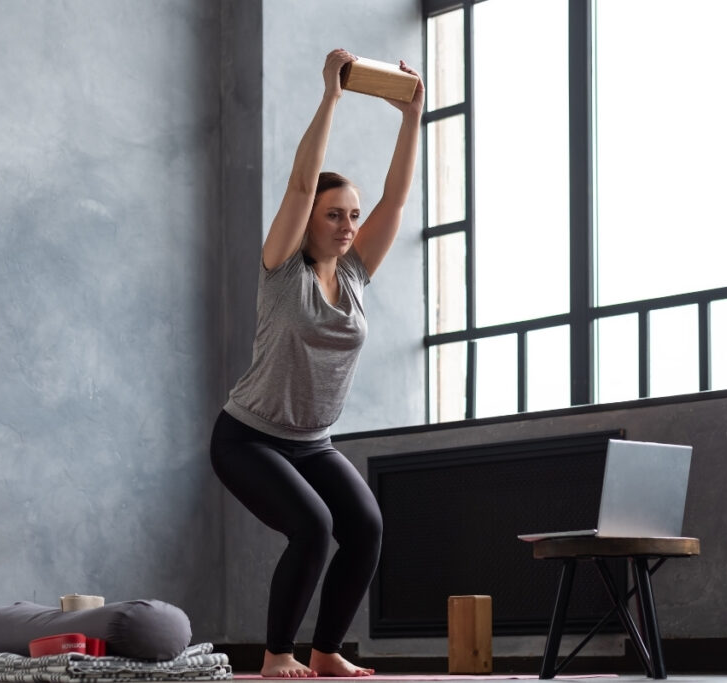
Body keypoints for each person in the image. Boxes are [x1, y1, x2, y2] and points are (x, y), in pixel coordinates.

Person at [210, 48, 423, 678]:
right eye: (335, 216)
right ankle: (278, 656)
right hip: (248, 438)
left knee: (365, 526)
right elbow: (301, 186)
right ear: (308, 224)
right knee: (313, 525)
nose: (349, 225)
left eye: (353, 216)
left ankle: (326, 651)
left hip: (312, 442)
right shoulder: (282, 271)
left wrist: (412, 115)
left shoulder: (355, 274)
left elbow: (397, 199)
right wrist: (331, 94)